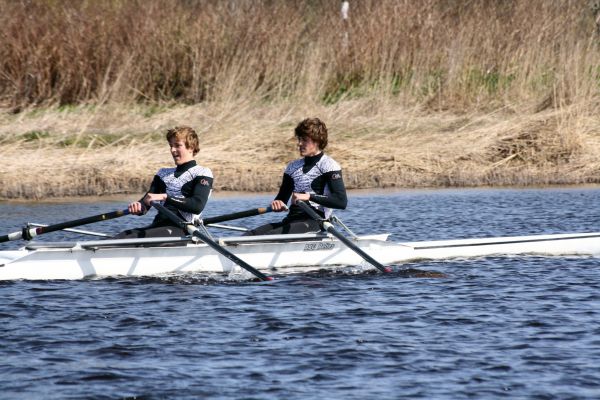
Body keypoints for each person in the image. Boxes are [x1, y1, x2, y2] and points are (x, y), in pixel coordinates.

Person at [246, 117, 347, 235]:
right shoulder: (292, 167)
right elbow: (282, 199)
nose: (299, 144)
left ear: (317, 141)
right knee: (249, 235)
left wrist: (308, 196)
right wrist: (278, 204)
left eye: (304, 140)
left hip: (316, 222)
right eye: (299, 139)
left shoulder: (329, 165)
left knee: (270, 236)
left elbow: (341, 202)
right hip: (291, 221)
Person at [114, 126, 213, 239]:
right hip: (157, 227)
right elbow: (146, 203)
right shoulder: (163, 174)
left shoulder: (202, 173)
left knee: (130, 238)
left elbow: (197, 205)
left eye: (177, 145)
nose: (172, 150)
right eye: (171, 146)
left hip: (182, 229)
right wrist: (138, 206)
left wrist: (165, 197)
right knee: (123, 236)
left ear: (191, 147)